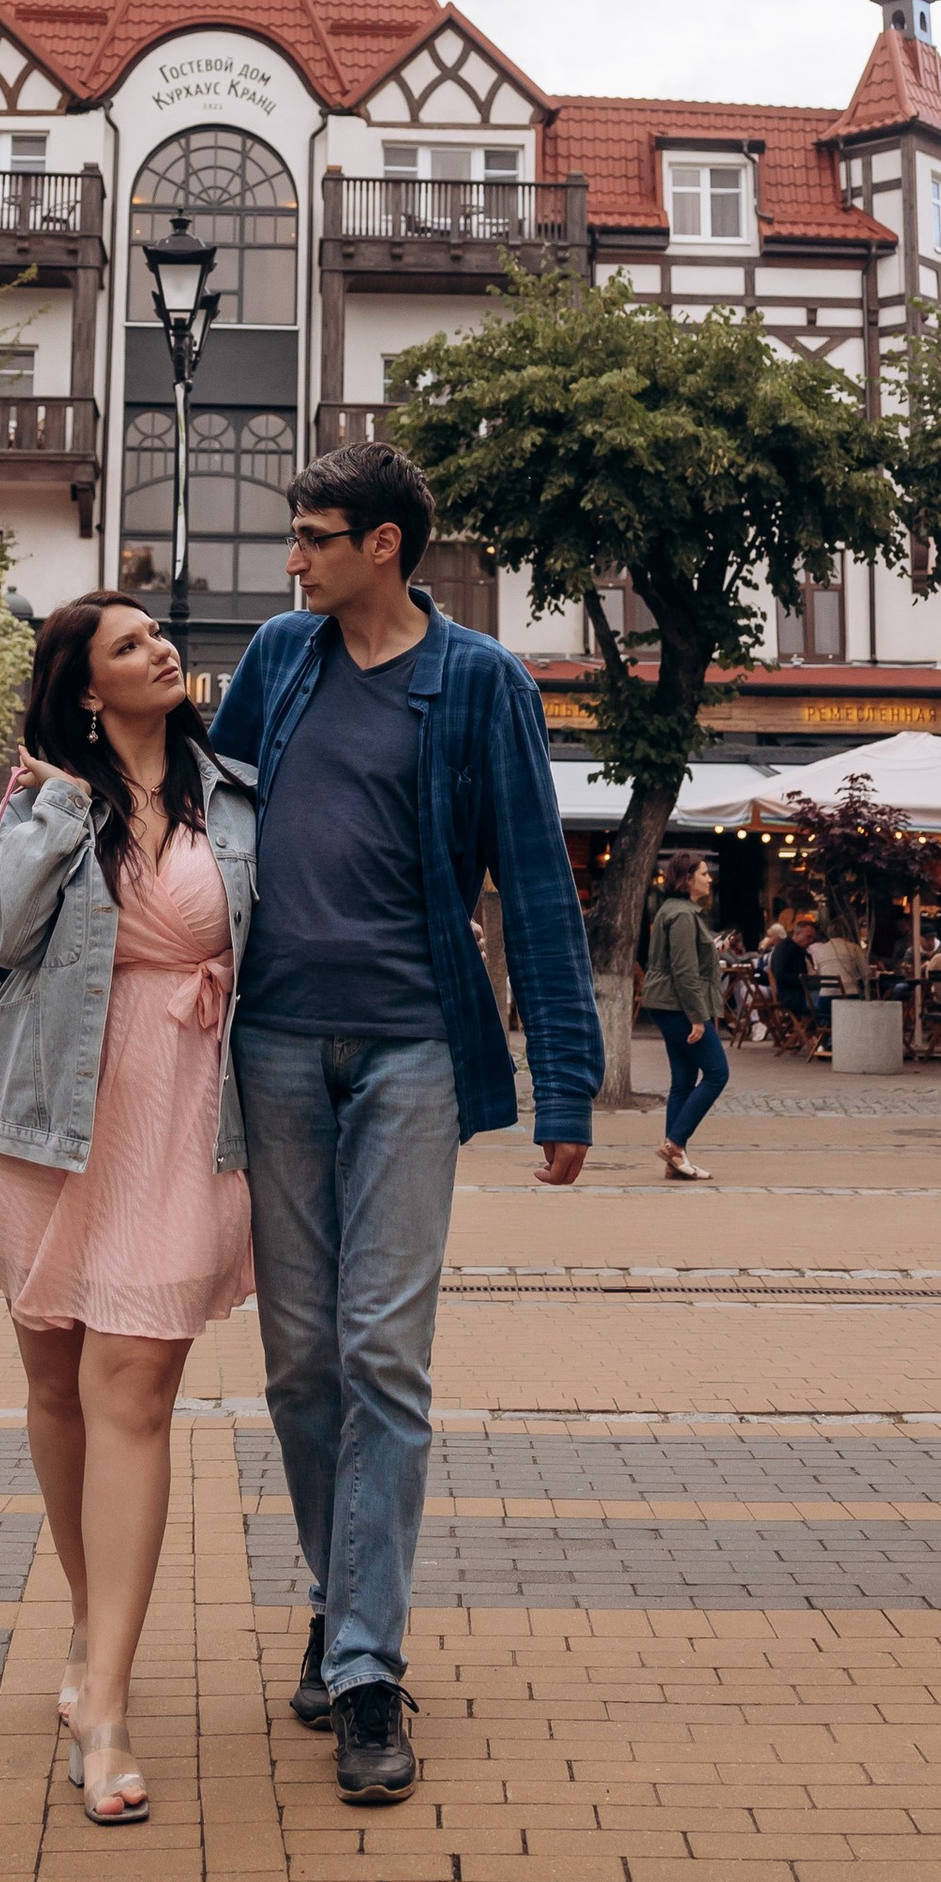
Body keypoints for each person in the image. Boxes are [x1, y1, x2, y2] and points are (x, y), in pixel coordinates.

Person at [212, 442, 601, 1808]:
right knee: (301, 1361)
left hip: (414, 1049)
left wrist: (567, 1078)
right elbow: (213, 836)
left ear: (386, 547)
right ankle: (342, 1592)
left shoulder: (478, 682)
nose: (294, 559)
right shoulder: (280, 658)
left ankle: (366, 1660)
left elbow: (536, 883)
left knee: (384, 1349)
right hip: (268, 1044)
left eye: (315, 537)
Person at [0, 595, 258, 1824]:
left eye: (158, 635)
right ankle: (83, 1625)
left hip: (186, 1114)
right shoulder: (43, 801)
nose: (160, 650)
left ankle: (107, 1700)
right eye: (127, 645)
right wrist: (61, 806)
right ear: (83, 689)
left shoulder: (235, 797)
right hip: (46, 1121)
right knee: (60, 1385)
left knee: (135, 1387)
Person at [641, 852, 730, 1181]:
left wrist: (711, 947)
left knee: (682, 1081)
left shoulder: (679, 912)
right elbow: (683, 971)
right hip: (678, 1006)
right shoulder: (681, 915)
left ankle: (674, 1161)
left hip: (669, 1003)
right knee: (718, 1073)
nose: (709, 879)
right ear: (687, 879)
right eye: (704, 874)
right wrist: (698, 1017)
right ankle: (675, 1145)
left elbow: (685, 960)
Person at [767, 905, 818, 1046]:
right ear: (797, 934)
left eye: (813, 938)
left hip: (804, 991)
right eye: (808, 937)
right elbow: (782, 976)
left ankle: (820, 1038)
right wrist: (805, 981)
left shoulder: (801, 950)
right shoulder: (784, 950)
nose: (811, 941)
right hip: (792, 995)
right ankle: (820, 1039)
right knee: (825, 1003)